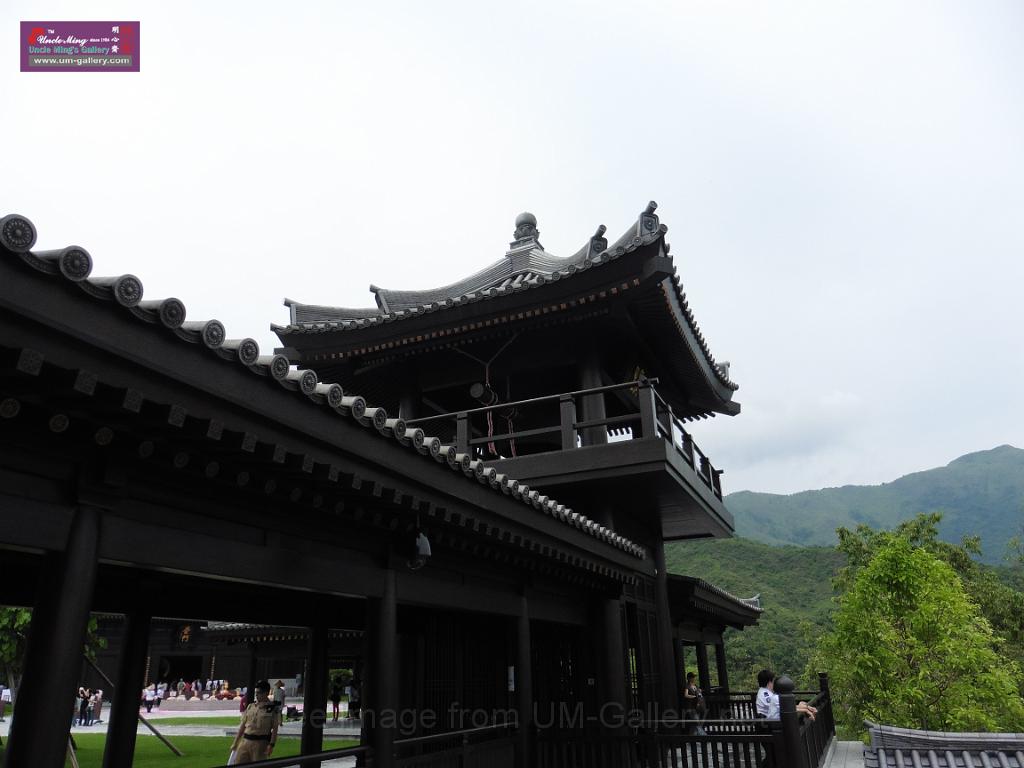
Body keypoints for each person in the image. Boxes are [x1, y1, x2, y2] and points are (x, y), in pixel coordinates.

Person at [230, 679, 281, 763]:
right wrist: (235, 742)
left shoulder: (272, 709)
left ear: (266, 693)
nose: (256, 695)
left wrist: (271, 745)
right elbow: (243, 726)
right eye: (256, 693)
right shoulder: (251, 706)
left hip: (260, 744)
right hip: (245, 742)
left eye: (259, 693)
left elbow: (275, 729)